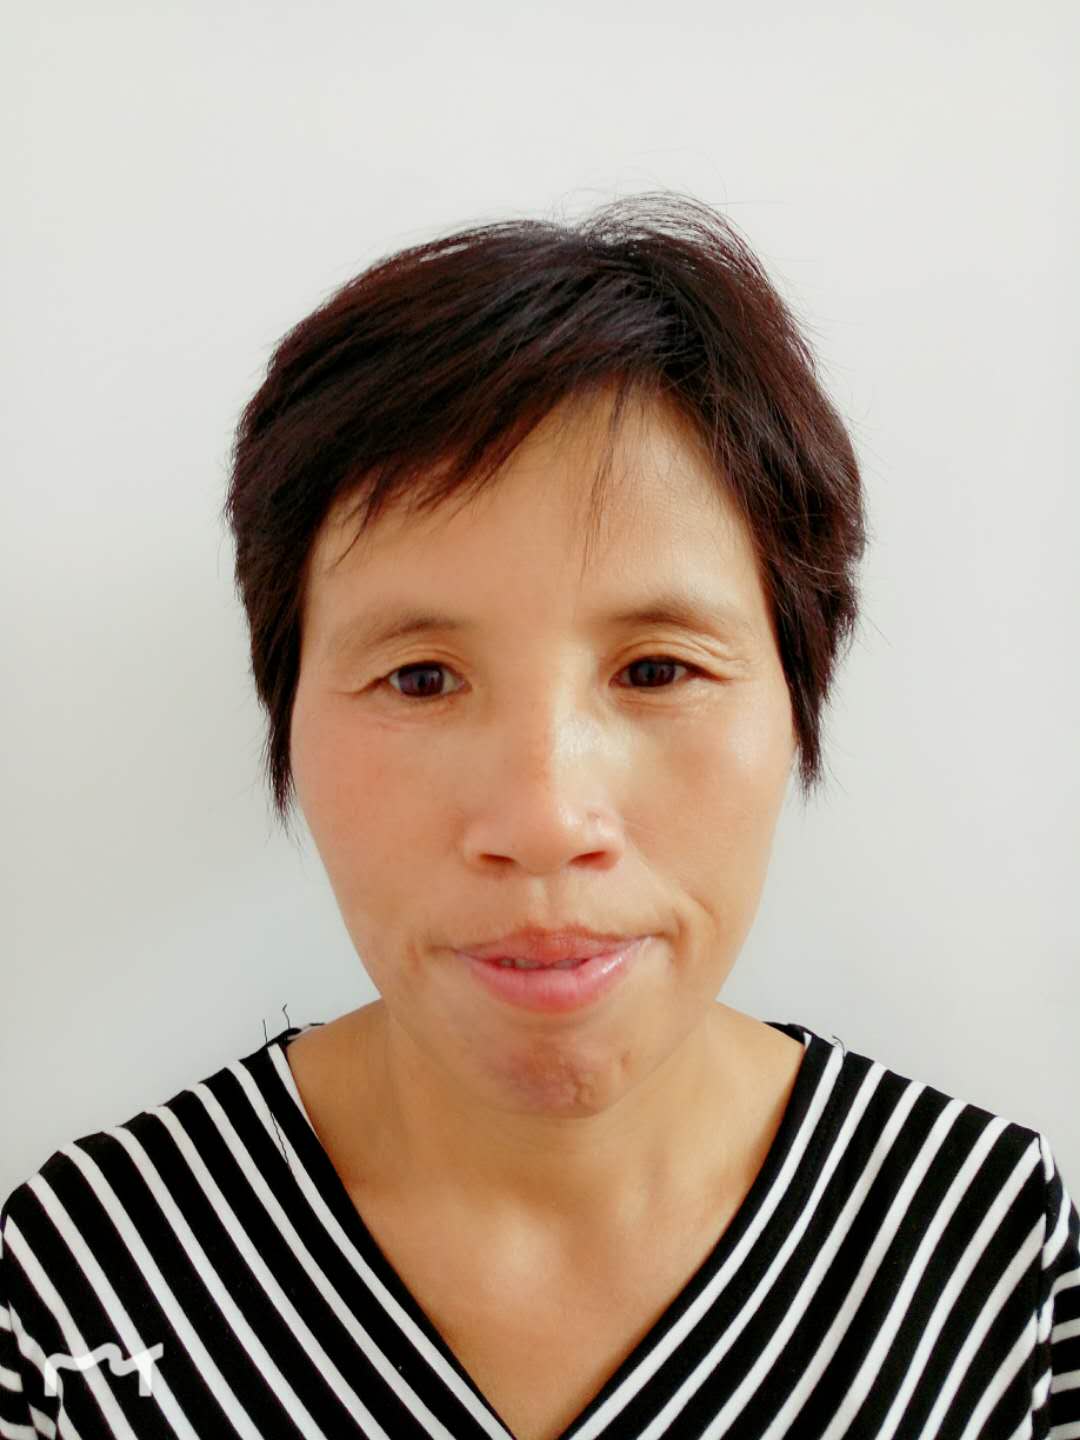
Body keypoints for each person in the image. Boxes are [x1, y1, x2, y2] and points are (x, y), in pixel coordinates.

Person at [2, 193, 1076, 1440]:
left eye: (657, 670)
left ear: (798, 696)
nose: (547, 818)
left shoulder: (987, 1245)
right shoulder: (86, 1276)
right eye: (421, 679)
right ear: (285, 710)